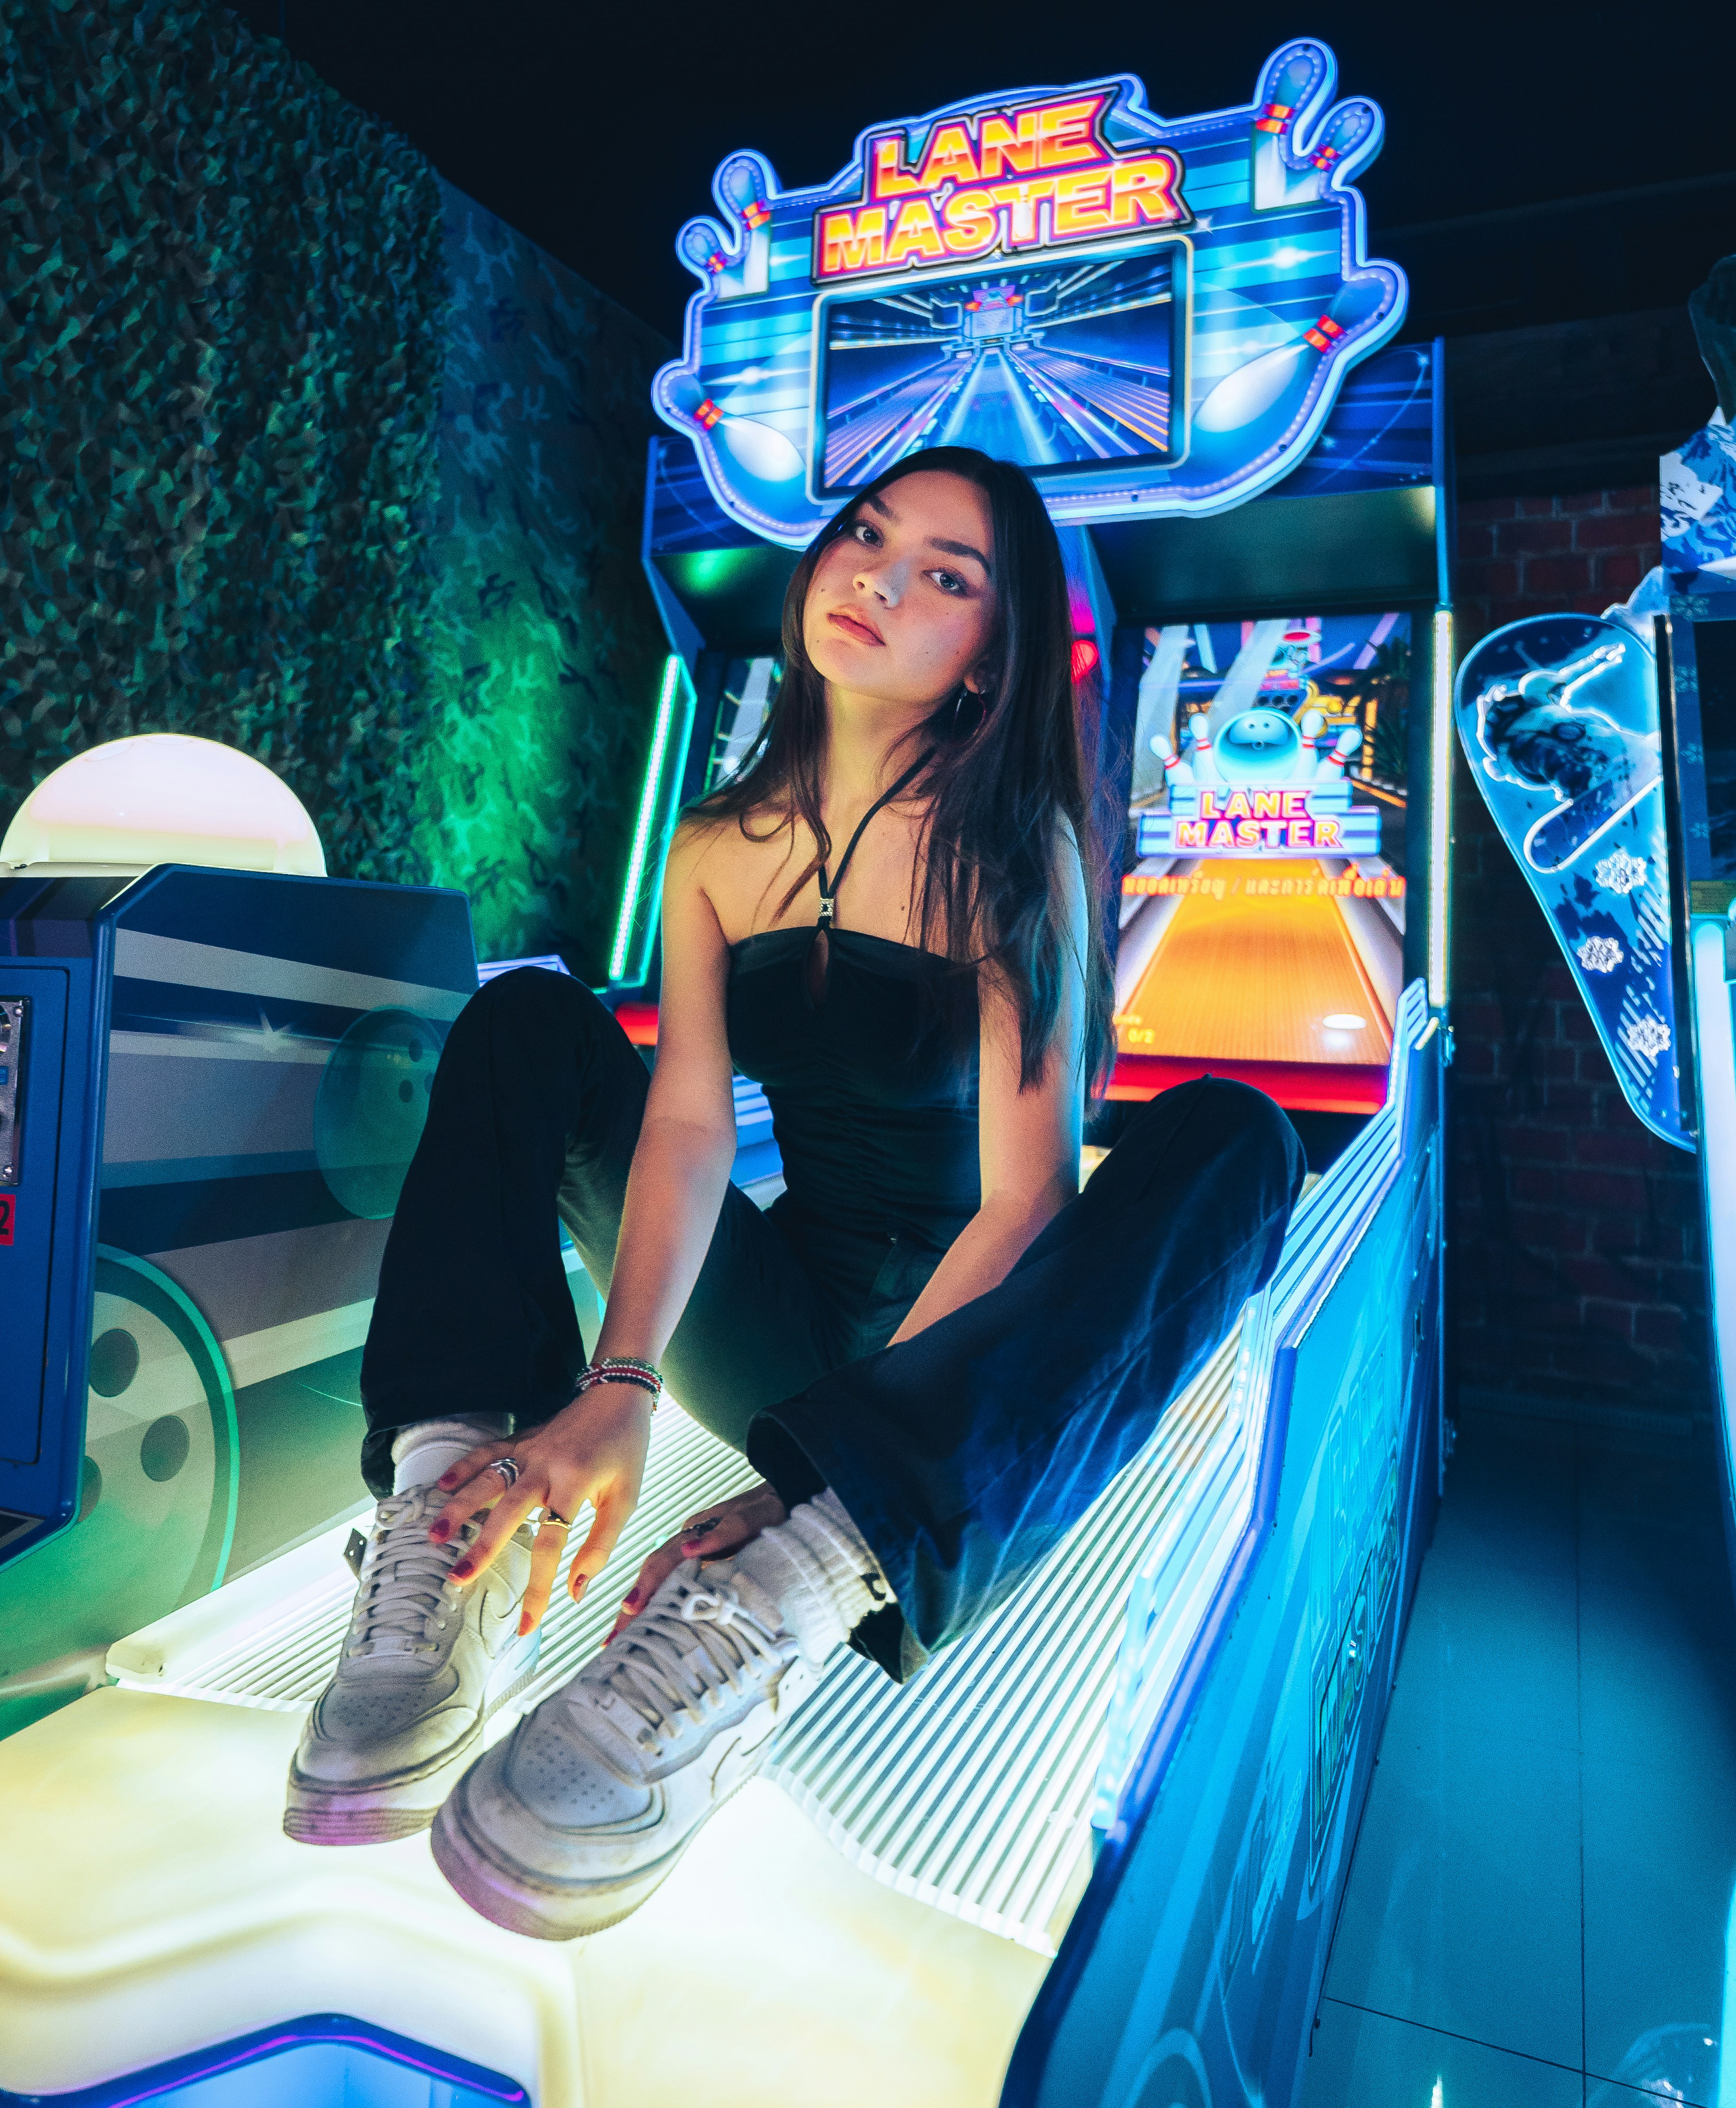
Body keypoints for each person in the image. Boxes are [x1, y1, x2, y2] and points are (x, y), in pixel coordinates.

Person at [283, 445, 1305, 1940]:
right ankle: (453, 1511)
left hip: (964, 1363)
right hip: (778, 1332)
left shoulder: (1023, 860)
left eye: (946, 577)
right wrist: (620, 1386)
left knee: (1238, 1129)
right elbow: (689, 1129)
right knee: (531, 1021)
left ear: (987, 662)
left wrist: (826, 1472)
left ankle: (798, 1580)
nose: (879, 581)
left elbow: (1019, 1209)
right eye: (868, 538)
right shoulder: (713, 847)